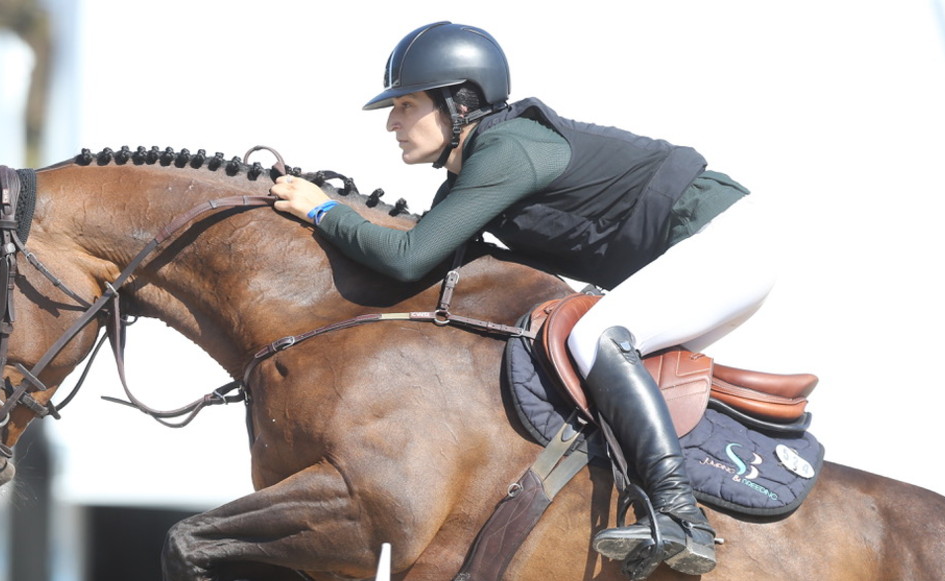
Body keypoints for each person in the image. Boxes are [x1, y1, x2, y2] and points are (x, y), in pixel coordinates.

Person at [270, 21, 777, 579]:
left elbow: (407, 257)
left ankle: (681, 519)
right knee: (590, 376)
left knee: (597, 339)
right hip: (706, 254)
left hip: (728, 241)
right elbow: (419, 268)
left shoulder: (507, 150)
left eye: (406, 104)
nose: (392, 122)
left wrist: (322, 210)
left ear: (458, 102)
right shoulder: (475, 175)